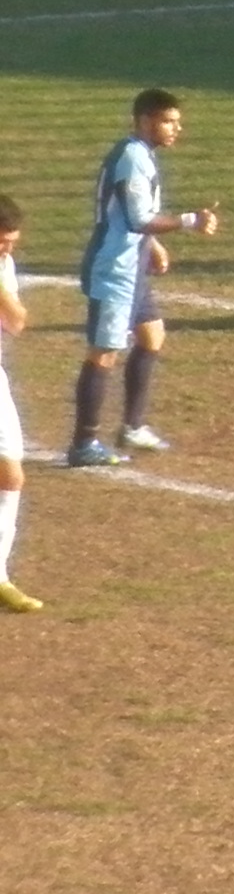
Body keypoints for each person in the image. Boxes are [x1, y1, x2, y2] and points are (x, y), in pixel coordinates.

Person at [71, 89, 216, 468]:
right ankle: (83, 444)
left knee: (152, 336)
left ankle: (132, 426)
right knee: (104, 351)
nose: (176, 128)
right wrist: (189, 221)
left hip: (132, 265)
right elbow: (137, 219)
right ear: (146, 120)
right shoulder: (133, 158)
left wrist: (152, 247)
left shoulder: (143, 156)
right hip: (113, 269)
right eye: (169, 121)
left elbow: (136, 216)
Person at [0, 198, 37, 608]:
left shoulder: (3, 267)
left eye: (11, 243)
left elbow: (17, 322)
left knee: (10, 475)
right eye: (0, 243)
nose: (7, 250)